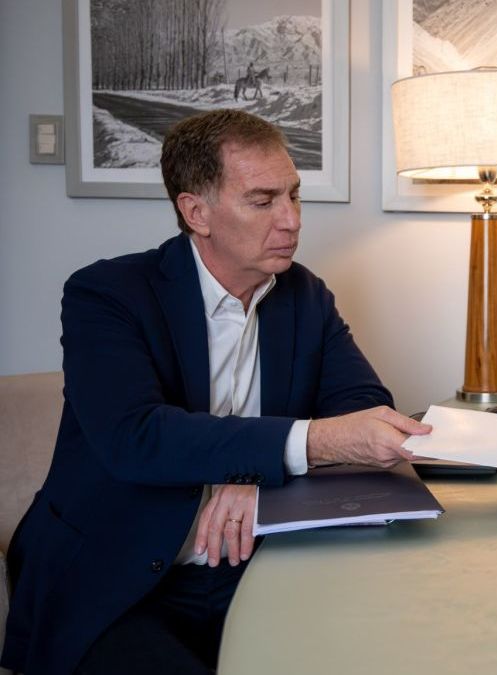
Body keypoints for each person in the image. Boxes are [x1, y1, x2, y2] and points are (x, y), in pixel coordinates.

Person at [1, 109, 429, 675]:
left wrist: (259, 483)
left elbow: (363, 411)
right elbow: (137, 438)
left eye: (294, 196)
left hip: (258, 569)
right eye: (263, 200)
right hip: (115, 578)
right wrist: (295, 449)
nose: (291, 221)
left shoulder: (304, 295)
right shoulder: (106, 294)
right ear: (195, 212)